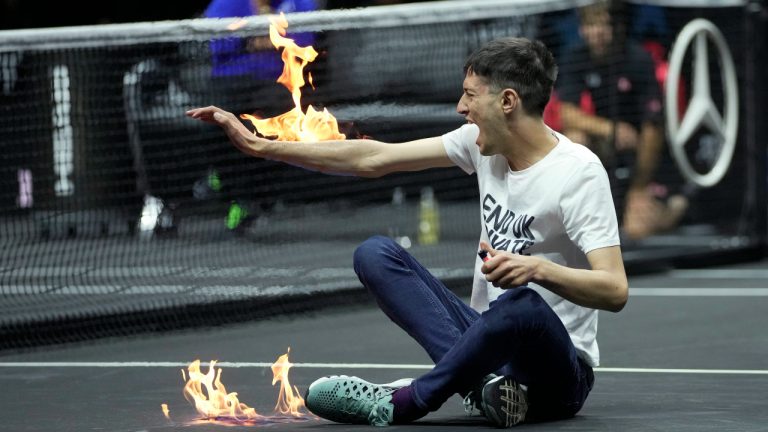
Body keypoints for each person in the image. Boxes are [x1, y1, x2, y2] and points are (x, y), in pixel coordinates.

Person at [186, 36, 628, 427]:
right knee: (376, 253)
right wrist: (262, 146)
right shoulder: (478, 146)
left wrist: (537, 269)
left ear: (507, 101)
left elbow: (614, 290)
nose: (460, 107)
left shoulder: (578, 174)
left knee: (522, 305)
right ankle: (485, 388)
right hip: (487, 345)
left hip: (558, 372)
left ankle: (406, 401)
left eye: (470, 96)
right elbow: (372, 158)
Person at [555, 1, 687, 240]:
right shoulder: (576, 57)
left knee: (637, 230)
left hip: (642, 149)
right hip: (608, 143)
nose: (598, 33)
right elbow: (566, 114)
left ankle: (674, 205)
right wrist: (611, 130)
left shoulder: (638, 59)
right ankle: (581, 210)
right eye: (591, 25)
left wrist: (639, 186)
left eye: (604, 25)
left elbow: (653, 127)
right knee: (575, 139)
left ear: (617, 28)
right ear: (582, 29)